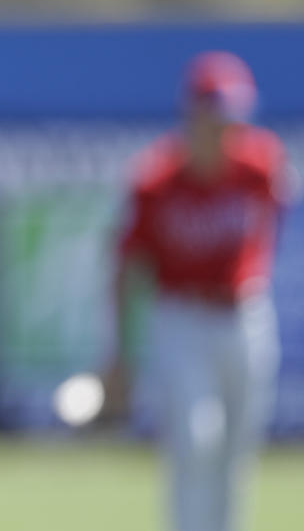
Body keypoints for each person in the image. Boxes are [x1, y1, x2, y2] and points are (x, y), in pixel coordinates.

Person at [104, 50, 294, 531]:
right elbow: (126, 267)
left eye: (233, 116)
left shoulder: (261, 167)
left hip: (244, 315)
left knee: (235, 456)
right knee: (195, 439)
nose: (226, 129)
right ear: (192, 113)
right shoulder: (156, 180)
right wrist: (118, 352)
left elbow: (276, 218)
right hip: (182, 317)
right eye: (216, 115)